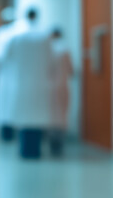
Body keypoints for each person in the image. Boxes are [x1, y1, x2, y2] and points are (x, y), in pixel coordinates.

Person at [6, 8, 54, 159]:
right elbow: (51, 59)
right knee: (37, 118)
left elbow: (7, 58)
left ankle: (25, 151)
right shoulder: (45, 36)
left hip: (21, 82)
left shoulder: (17, 36)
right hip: (40, 83)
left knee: (25, 119)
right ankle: (35, 151)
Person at [0, 7, 21, 141]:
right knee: (6, 104)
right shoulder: (0, 34)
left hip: (11, 74)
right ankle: (8, 132)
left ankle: (10, 132)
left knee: (9, 104)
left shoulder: (13, 33)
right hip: (6, 74)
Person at [50, 28, 73, 157]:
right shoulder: (65, 49)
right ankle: (59, 146)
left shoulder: (48, 50)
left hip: (49, 88)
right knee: (62, 114)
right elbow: (71, 70)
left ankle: (52, 143)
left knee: (52, 114)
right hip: (63, 86)